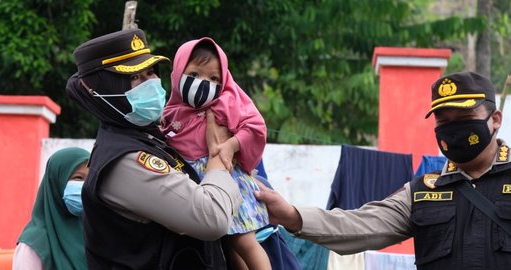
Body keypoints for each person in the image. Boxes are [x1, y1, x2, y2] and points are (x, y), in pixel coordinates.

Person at [255, 71, 511, 269]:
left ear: (495, 119)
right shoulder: (422, 192)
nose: (453, 130)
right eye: (444, 121)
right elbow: (358, 225)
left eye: (464, 119)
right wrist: (291, 215)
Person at [66, 28, 242, 269]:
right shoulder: (125, 160)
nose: (151, 83)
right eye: (135, 77)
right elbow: (212, 218)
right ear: (102, 89)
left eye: (150, 72)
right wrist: (219, 155)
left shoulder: (149, 139)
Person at [161, 37, 270, 269]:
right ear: (178, 71)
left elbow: (255, 126)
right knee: (230, 246)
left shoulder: (224, 102)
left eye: (213, 79)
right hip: (197, 186)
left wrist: (231, 145)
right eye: (193, 75)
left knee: (244, 242)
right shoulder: (171, 111)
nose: (203, 83)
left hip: (226, 180)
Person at [13, 147, 90, 270]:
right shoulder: (34, 243)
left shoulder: (94, 233)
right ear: (56, 182)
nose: (85, 187)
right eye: (78, 178)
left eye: (90, 179)